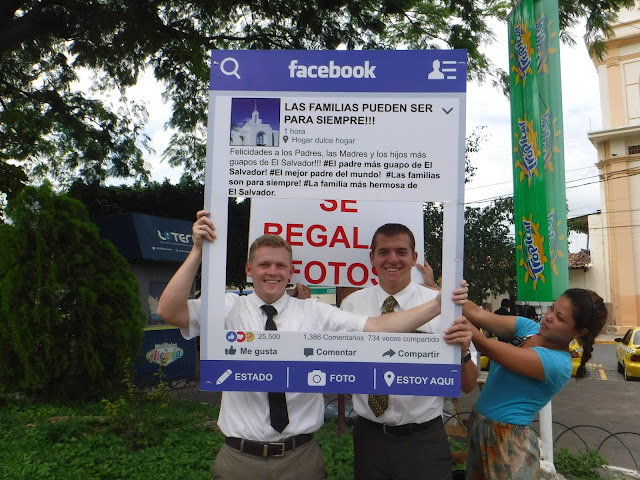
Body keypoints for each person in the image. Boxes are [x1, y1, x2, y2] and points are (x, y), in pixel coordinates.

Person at [156, 210, 469, 480]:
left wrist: (437, 305)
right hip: (239, 458)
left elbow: (376, 327)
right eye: (264, 265)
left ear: (291, 272)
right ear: (249, 270)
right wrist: (197, 251)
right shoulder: (227, 308)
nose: (272, 272)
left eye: (281, 266)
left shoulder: (314, 312)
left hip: (300, 458)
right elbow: (168, 310)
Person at [339, 223, 478, 480]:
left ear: (414, 258)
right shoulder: (351, 305)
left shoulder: (443, 307)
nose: (392, 259)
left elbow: (468, 385)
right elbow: (340, 370)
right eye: (384, 252)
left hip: (423, 440)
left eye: (401, 252)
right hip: (369, 438)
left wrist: (463, 353)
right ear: (372, 258)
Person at [459, 289, 608, 479]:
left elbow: (487, 347)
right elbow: (476, 313)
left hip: (508, 445)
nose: (549, 317)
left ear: (579, 332)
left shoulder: (558, 363)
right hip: (480, 429)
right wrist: (438, 291)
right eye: (552, 308)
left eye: (560, 318)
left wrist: (460, 322)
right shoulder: (529, 328)